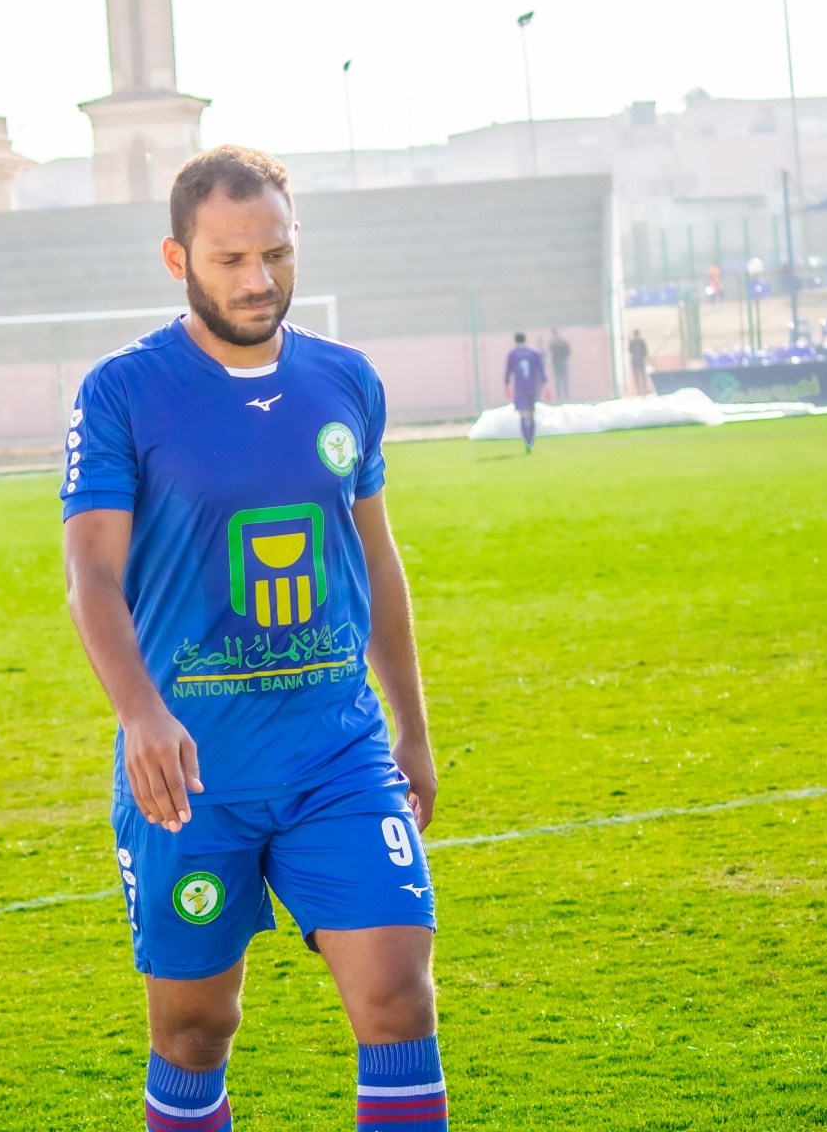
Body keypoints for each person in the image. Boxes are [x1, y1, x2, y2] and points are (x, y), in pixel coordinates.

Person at [60, 146, 446, 1132]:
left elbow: (377, 560)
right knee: (196, 1030)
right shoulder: (123, 390)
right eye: (229, 259)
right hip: (191, 771)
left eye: (275, 253)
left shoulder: (346, 380)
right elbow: (91, 574)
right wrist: (140, 715)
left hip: (337, 754)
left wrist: (412, 727)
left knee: (398, 997)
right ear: (177, 258)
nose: (257, 279)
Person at [503, 332, 551, 453]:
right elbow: (542, 370)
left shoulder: (513, 354)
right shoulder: (534, 352)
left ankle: (527, 442)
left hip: (520, 388)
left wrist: (507, 386)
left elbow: (508, 372)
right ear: (525, 340)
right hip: (533, 387)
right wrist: (547, 386)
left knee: (523, 415)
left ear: (515, 341)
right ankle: (531, 441)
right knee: (531, 414)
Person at [547, 330, 571, 400]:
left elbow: (567, 351)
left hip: (560, 361)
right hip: (558, 362)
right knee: (560, 380)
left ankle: (564, 395)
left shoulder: (556, 342)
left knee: (562, 379)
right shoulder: (557, 342)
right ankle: (561, 396)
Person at [628, 330, 651, 394]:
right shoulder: (638, 341)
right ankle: (642, 390)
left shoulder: (636, 341)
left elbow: (630, 350)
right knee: (641, 376)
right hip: (639, 360)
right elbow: (645, 351)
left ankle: (641, 390)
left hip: (638, 360)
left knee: (639, 376)